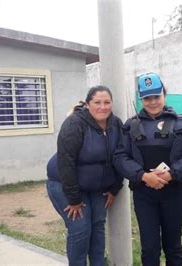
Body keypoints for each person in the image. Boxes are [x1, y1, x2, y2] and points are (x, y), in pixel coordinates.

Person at [114, 73, 182, 265]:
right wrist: (144, 176)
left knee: (173, 246)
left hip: (174, 193)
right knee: (149, 247)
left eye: (157, 96)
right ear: (141, 99)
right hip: (144, 195)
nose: (153, 101)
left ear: (164, 94)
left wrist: (171, 174)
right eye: (147, 98)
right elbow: (120, 157)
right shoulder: (130, 126)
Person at [46, 85, 123, 266]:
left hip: (97, 188)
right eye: (97, 102)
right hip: (65, 184)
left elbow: (121, 157)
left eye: (107, 102)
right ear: (88, 104)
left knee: (97, 227)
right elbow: (66, 162)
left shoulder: (116, 124)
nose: (102, 107)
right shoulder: (74, 124)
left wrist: (114, 188)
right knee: (80, 230)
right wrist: (73, 199)